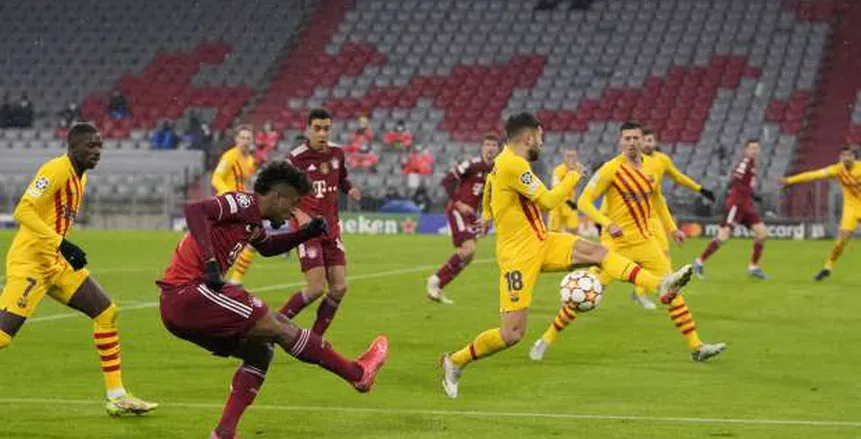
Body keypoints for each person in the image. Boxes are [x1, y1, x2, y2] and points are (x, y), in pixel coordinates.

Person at [439, 113, 695, 399]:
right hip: (518, 257)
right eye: (541, 137)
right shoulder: (513, 164)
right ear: (529, 137)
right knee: (511, 334)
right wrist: (574, 176)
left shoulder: (504, 160)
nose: (542, 142)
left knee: (599, 253)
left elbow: (489, 182)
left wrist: (487, 213)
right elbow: (548, 201)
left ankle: (661, 284)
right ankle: (455, 361)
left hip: (542, 240)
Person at [156, 161, 388, 439]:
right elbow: (195, 210)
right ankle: (357, 373)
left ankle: (224, 433)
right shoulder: (243, 202)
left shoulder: (253, 222)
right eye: (294, 203)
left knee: (260, 351)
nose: (294, 211)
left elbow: (267, 247)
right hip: (188, 292)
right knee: (276, 326)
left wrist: (306, 233)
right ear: (278, 197)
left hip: (187, 303)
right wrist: (210, 263)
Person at [530, 122, 725, 362]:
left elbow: (658, 200)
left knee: (673, 289)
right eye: (627, 138)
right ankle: (545, 340)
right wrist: (607, 222)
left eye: (635, 138)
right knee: (585, 291)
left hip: (646, 243)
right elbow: (584, 202)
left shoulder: (652, 168)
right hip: (615, 246)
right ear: (621, 141)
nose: (631, 142)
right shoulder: (611, 169)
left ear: (642, 141)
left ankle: (697, 346)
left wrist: (672, 229)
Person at [0, 123, 158, 415]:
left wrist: (61, 249)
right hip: (31, 263)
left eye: (99, 146)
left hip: (56, 263)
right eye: (90, 146)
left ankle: (117, 396)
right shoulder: (56, 169)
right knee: (3, 337)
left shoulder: (80, 178)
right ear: (72, 147)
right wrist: (61, 243)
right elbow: (23, 210)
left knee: (106, 312)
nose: (97, 152)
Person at [278, 108, 362, 336]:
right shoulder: (295, 159)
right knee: (316, 289)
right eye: (317, 128)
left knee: (339, 288)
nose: (322, 133)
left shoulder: (337, 153)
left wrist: (350, 189)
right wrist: (297, 213)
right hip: (308, 231)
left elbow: (342, 178)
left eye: (326, 129)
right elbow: (281, 193)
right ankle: (273, 326)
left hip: (331, 229)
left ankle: (314, 340)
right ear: (308, 129)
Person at [627, 128, 715, 309]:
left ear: (655, 142)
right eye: (645, 140)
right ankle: (646, 290)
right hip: (635, 216)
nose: (648, 144)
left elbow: (678, 177)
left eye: (651, 140)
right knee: (628, 257)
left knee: (663, 254)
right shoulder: (631, 162)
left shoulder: (662, 160)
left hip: (655, 215)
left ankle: (644, 292)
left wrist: (700, 189)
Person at [426, 133, 500, 304]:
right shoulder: (472, 164)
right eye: (487, 145)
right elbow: (447, 181)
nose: (490, 148)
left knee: (469, 256)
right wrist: (458, 202)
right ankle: (435, 280)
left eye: (493, 145)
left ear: (498, 149)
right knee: (468, 249)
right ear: (482, 147)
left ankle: (437, 287)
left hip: (472, 215)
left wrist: (487, 218)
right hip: (459, 210)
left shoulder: (497, 170)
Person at [693, 139, 769, 279]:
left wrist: (751, 194)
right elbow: (735, 180)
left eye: (756, 148)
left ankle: (753, 268)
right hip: (737, 204)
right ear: (746, 150)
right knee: (723, 236)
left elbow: (745, 183)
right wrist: (750, 193)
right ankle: (699, 262)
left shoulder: (752, 164)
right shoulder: (744, 163)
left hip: (746, 204)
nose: (754, 151)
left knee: (762, 233)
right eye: (751, 148)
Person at [781, 146, 860, 280]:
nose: (846, 158)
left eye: (849, 155)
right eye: (843, 155)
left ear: (854, 157)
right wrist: (790, 180)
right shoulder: (837, 169)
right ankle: (828, 267)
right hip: (851, 208)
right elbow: (814, 174)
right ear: (840, 157)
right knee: (842, 240)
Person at [212, 125, 258, 286]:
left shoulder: (250, 160)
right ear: (236, 139)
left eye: (248, 138)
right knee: (231, 244)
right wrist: (228, 195)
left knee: (252, 240)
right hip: (229, 206)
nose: (245, 141)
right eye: (242, 138)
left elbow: (246, 184)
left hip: (242, 206)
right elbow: (216, 178)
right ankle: (220, 278)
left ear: (252, 141)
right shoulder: (229, 156)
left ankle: (235, 280)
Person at [547, 148, 586, 234]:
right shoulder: (558, 170)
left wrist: (580, 174)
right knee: (554, 232)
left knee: (574, 230)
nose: (571, 159)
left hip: (570, 203)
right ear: (564, 158)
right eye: (568, 156)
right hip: (558, 204)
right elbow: (556, 188)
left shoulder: (577, 169)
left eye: (573, 156)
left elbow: (582, 181)